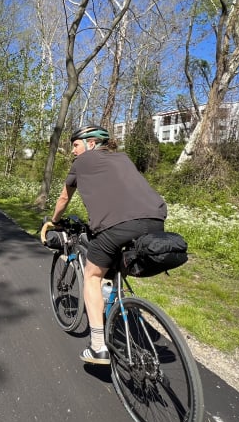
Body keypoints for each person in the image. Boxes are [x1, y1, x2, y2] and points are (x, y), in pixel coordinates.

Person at [47, 125, 167, 364]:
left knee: (91, 276)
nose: (73, 151)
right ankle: (113, 296)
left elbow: (64, 198)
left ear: (91, 144)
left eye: (76, 145)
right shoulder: (122, 158)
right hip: (156, 221)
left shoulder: (82, 162)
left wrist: (53, 222)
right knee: (111, 264)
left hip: (118, 225)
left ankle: (98, 346)